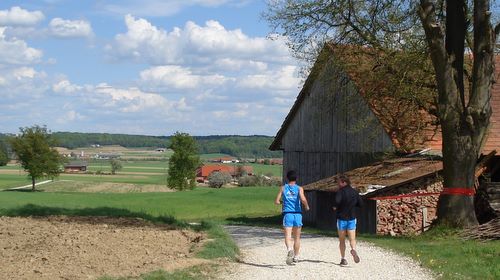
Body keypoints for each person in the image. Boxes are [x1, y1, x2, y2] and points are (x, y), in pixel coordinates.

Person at [275, 170, 310, 265]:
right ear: (296, 178)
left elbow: (277, 201)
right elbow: (302, 198)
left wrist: (282, 202)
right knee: (297, 238)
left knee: (288, 236)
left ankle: (290, 249)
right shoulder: (299, 188)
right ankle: (296, 257)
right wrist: (306, 206)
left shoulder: (283, 188)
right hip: (297, 214)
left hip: (288, 214)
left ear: (287, 178)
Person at [333, 174, 363, 266]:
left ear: (344, 182)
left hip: (341, 219)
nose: (338, 184)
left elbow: (337, 202)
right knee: (352, 239)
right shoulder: (355, 192)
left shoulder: (340, 192)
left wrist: (335, 207)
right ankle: (353, 249)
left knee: (342, 240)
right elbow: (361, 204)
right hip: (352, 218)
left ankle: (343, 259)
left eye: (339, 182)